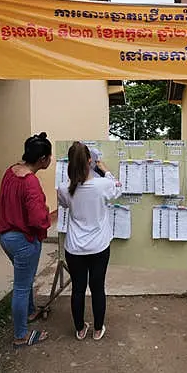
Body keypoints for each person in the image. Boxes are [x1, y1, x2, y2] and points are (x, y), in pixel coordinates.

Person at [58, 142, 122, 341]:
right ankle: (97, 329)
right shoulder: (103, 184)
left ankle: (79, 329)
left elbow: (64, 204)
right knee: (97, 287)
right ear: (89, 161)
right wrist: (104, 170)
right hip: (99, 246)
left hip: (75, 247)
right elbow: (117, 188)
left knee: (78, 288)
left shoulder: (64, 188)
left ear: (69, 164)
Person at [0, 132, 52, 348]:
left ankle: (30, 312)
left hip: (6, 237)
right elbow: (37, 219)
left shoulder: (10, 172)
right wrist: (47, 213)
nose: (50, 160)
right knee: (21, 286)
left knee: (26, 279)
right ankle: (21, 336)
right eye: (49, 157)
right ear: (42, 160)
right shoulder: (30, 182)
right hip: (23, 241)